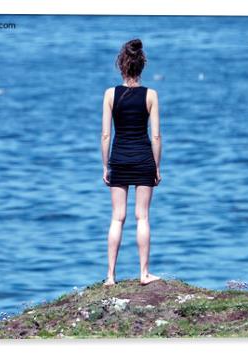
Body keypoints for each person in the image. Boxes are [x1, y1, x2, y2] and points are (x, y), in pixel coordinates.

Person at [100, 38, 162, 286]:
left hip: (120, 158)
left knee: (117, 217)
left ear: (122, 66)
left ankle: (110, 276)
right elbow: (156, 136)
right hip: (144, 158)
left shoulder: (110, 94)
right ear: (142, 66)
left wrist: (106, 166)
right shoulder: (151, 95)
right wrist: (156, 165)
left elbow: (106, 135)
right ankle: (144, 274)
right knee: (142, 217)